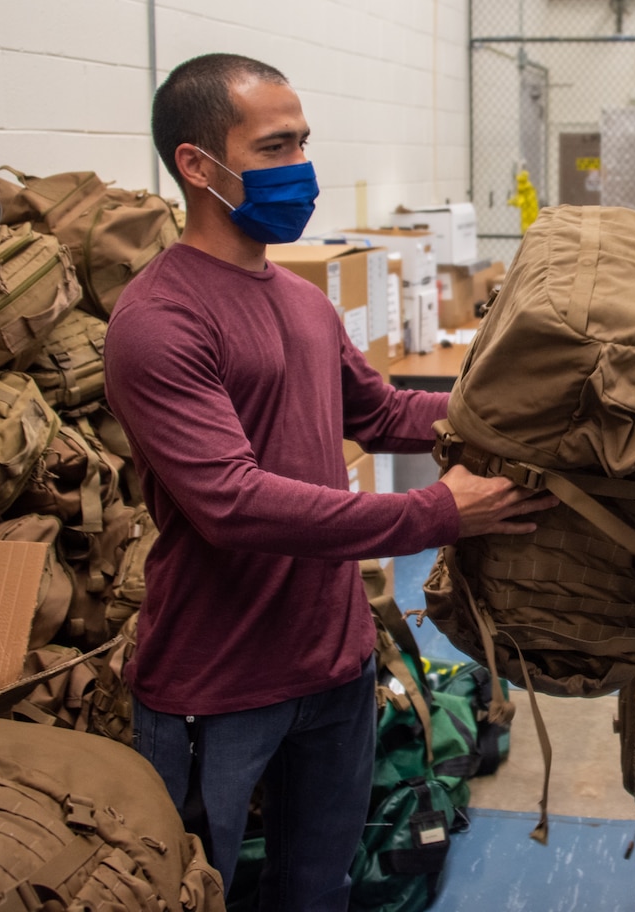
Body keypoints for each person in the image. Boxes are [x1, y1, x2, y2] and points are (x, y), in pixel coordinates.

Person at [104, 53, 554, 911]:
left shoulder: (301, 300)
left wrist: (513, 411)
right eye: (276, 147)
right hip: (217, 685)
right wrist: (436, 512)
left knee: (317, 889)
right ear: (198, 165)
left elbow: (383, 413)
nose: (302, 168)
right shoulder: (158, 320)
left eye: (304, 141)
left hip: (335, 665)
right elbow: (232, 502)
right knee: (194, 893)